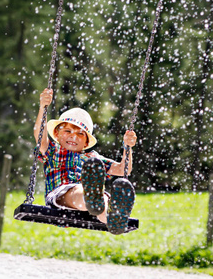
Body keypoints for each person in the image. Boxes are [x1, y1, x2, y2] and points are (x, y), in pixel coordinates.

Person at [34, 88, 137, 235]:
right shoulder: (53, 150)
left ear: (86, 141)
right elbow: (40, 138)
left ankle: (114, 219)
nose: (73, 137)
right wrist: (43, 107)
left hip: (90, 205)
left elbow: (123, 170)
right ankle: (92, 197)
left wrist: (128, 148)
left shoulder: (93, 158)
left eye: (80, 134)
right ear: (56, 134)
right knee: (79, 191)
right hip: (60, 197)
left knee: (102, 198)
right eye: (68, 131)